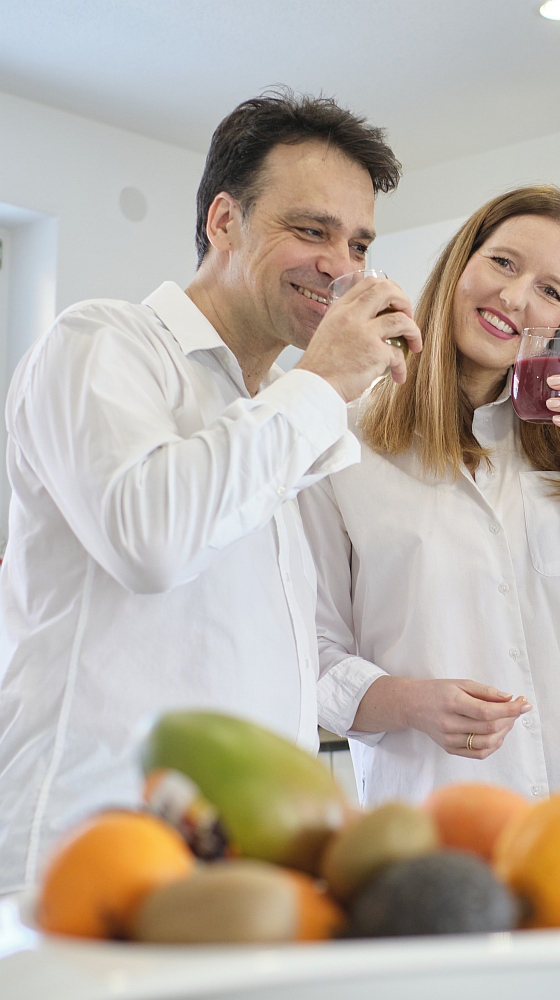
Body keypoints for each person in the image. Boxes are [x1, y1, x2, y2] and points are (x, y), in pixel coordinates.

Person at [0, 91, 422, 893]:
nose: (341, 266)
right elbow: (150, 543)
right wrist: (325, 380)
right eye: (310, 230)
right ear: (223, 222)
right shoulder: (100, 342)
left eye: (359, 242)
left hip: (242, 864)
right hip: (88, 848)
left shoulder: (277, 415)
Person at [299, 185, 560, 814]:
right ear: (461, 264)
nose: (515, 296)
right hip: (441, 818)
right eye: (503, 262)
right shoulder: (340, 436)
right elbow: (311, 654)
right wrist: (411, 702)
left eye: (551, 290)